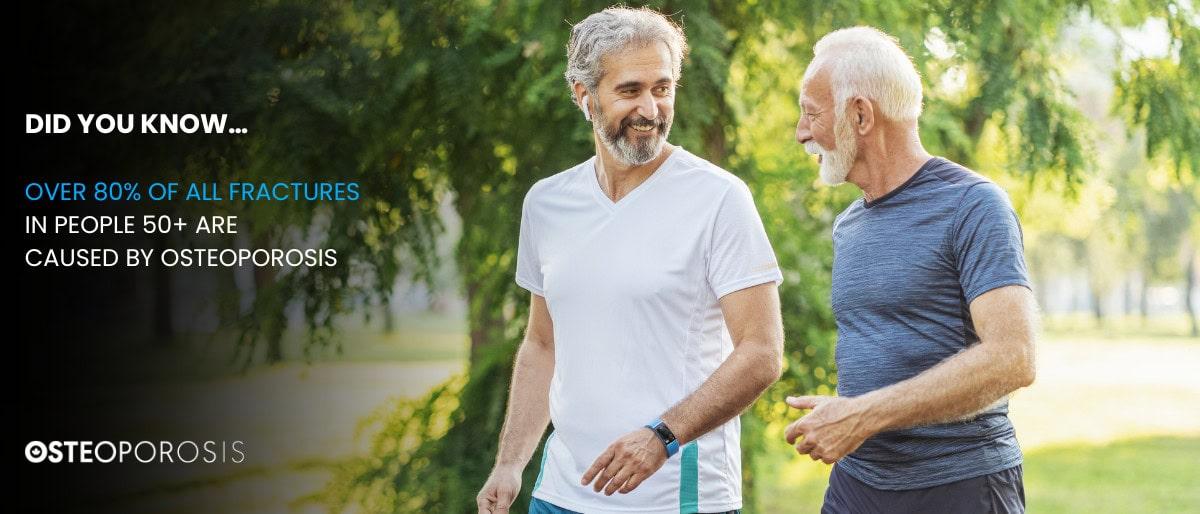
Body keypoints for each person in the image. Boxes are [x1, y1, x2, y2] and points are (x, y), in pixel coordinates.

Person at [474, 6, 786, 514]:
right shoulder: (547, 203)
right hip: (558, 495)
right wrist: (510, 464)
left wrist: (662, 436)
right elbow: (542, 343)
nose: (650, 109)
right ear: (584, 97)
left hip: (674, 500)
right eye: (630, 90)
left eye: (663, 89)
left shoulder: (719, 198)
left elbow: (761, 352)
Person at [786, 26, 1039, 514]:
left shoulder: (973, 205)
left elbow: (1015, 356)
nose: (801, 131)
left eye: (812, 113)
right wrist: (848, 415)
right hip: (857, 483)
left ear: (860, 115)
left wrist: (862, 415)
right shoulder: (849, 224)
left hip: (959, 485)